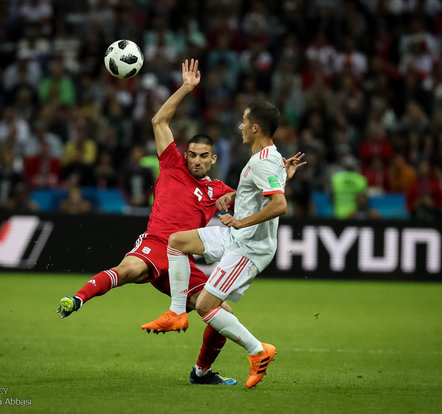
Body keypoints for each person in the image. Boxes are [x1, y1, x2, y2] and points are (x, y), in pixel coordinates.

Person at [57, 59, 238, 385]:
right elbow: (159, 119)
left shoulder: (219, 189)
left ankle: (202, 372)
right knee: (127, 271)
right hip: (157, 243)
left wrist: (278, 175)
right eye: (192, 154)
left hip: (183, 262)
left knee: (222, 317)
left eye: (203, 156)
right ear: (186, 154)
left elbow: (259, 199)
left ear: (213, 159)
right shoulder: (171, 164)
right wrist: (185, 88)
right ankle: (77, 299)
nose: (195, 160)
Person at [142, 100, 306, 389]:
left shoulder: (265, 160)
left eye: (244, 122)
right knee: (177, 241)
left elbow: (279, 205)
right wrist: (244, 194)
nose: (240, 126)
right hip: (235, 236)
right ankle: (177, 312)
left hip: (248, 247)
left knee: (206, 307)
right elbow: (268, 189)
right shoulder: (269, 159)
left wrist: (242, 221)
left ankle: (258, 351)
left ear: (255, 128)